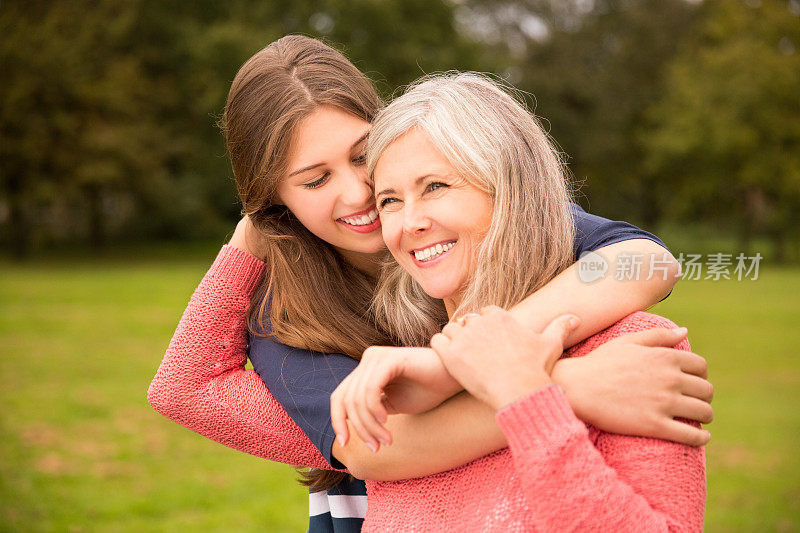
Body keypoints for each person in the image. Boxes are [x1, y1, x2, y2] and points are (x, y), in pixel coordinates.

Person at [147, 36, 712, 532]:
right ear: (275, 202)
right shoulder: (292, 309)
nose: (359, 193)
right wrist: (557, 388)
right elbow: (372, 449)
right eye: (315, 180)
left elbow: (644, 258)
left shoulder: (482, 217)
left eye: (364, 157)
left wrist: (459, 366)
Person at [329, 71, 705, 531]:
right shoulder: (398, 373)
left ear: (510, 192)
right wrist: (254, 233)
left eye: (436, 186)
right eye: (389, 200)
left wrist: (527, 397)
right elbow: (215, 396)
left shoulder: (632, 350)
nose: (410, 222)